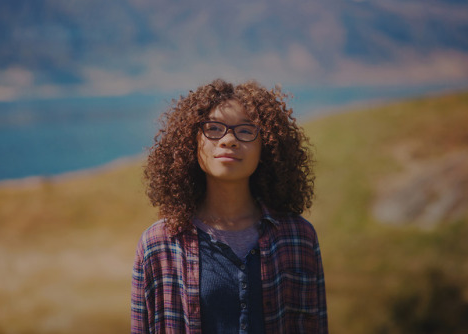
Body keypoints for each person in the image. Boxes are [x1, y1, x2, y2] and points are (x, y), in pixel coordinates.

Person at [131, 79, 328, 333]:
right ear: (193, 142)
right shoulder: (157, 244)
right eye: (214, 128)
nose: (229, 140)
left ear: (265, 146)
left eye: (246, 130)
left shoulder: (300, 237)